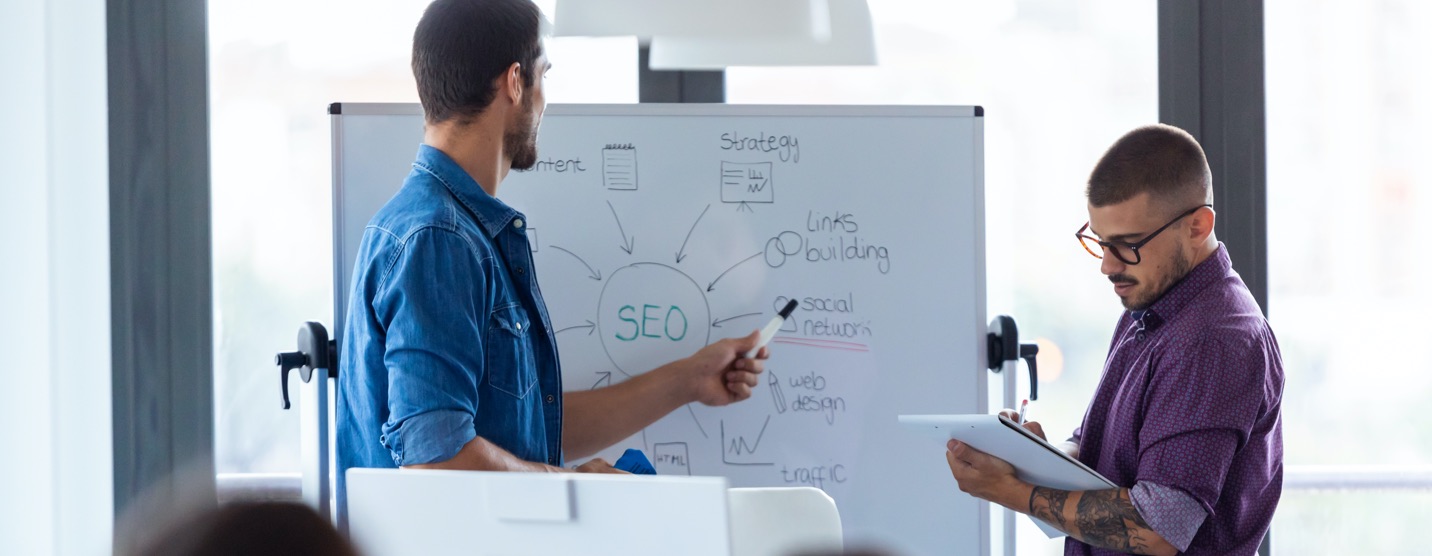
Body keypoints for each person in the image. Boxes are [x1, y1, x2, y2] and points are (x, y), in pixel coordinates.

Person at [336, 0, 769, 516]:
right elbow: (437, 461)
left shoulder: (457, 232)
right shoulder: (439, 239)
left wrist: (688, 380)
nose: (545, 99)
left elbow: (527, 432)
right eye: (544, 75)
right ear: (515, 82)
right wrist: (573, 488)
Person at [944, 124, 1284, 555]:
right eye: (1101, 242)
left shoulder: (1212, 341)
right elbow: (1102, 454)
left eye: (1126, 245)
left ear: (1197, 226)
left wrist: (1009, 490)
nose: (1107, 265)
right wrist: (1029, 457)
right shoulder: (1152, 303)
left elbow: (1159, 528)